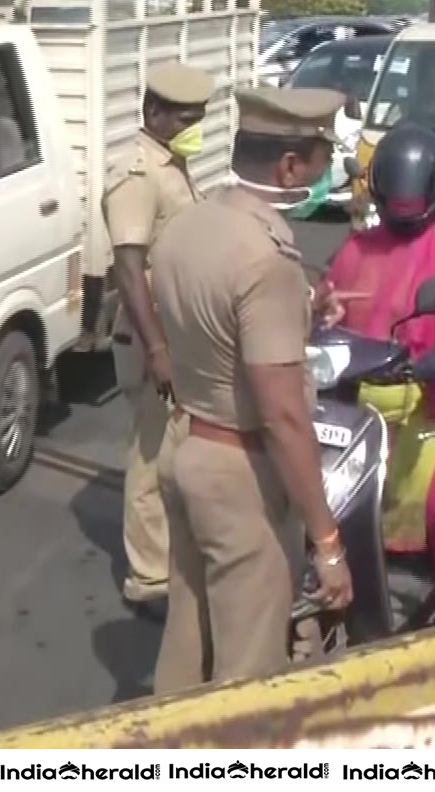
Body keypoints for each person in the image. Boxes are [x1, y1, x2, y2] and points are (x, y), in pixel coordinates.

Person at [149, 86, 353, 693]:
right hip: (240, 470)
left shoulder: (190, 225)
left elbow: (213, 331)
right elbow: (284, 417)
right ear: (290, 165)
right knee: (248, 672)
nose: (325, 171)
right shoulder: (267, 260)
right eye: (320, 157)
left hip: (186, 444)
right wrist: (328, 542)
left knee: (188, 646)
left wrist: (303, 316)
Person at [323, 124, 435, 562]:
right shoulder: (358, 248)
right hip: (357, 402)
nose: (402, 212)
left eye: (410, 205)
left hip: (426, 402)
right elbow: (329, 297)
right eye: (394, 203)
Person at [100, 62, 214, 612]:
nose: (196, 126)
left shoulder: (174, 164)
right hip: (152, 340)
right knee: (151, 460)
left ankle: (170, 560)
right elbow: (128, 268)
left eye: (201, 117)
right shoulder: (137, 173)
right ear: (153, 113)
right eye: (187, 118)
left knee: (175, 454)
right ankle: (147, 580)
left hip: (178, 333)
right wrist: (159, 349)